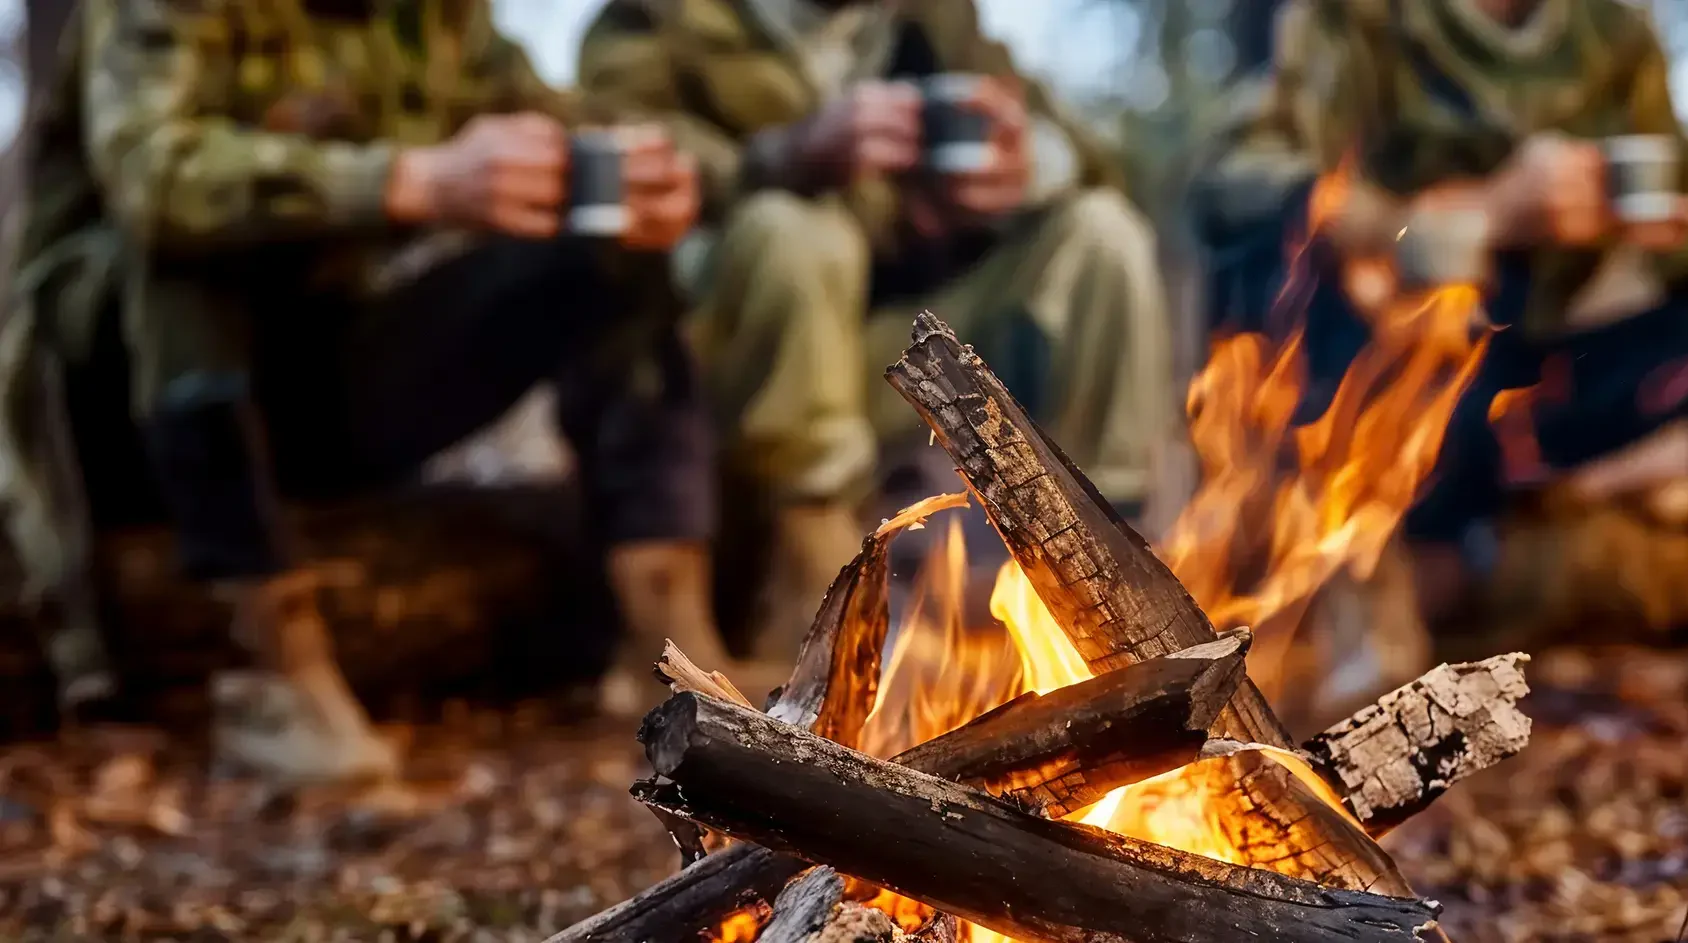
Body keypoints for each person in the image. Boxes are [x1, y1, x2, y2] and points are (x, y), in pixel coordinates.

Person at [0, 0, 732, 783]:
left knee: (610, 242)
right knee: (186, 253)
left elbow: (572, 121)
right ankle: (270, 676)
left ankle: (666, 644)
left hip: (325, 385)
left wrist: (656, 172)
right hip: (127, 419)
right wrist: (413, 180)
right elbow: (153, 176)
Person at [1192, 0, 1688, 714]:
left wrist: (1666, 234)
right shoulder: (1356, 21)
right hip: (1418, 380)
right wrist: (1480, 214)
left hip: (1557, 373)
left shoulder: (1610, 28)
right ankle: (1373, 638)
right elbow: (1240, 184)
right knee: (1338, 330)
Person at [573, 0, 1176, 659]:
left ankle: (1103, 563)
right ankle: (815, 576)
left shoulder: (931, 21)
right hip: (714, 370)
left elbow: (1085, 154)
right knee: (793, 231)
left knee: (1101, 233)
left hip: (878, 354)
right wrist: (789, 155)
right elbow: (610, 163)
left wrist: (1027, 163)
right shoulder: (661, 20)